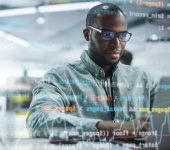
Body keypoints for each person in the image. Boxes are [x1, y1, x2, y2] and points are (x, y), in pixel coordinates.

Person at [26, 3, 157, 139]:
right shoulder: (59, 78)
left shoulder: (143, 79)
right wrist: (113, 128)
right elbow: (38, 121)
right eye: (107, 34)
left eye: (122, 35)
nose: (117, 44)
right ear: (87, 34)